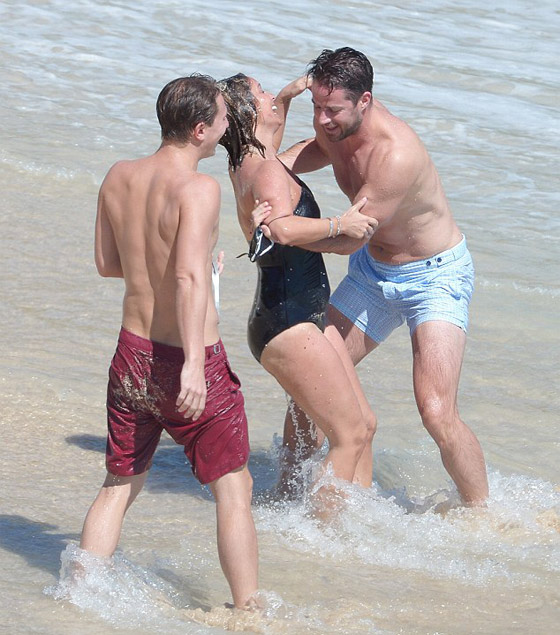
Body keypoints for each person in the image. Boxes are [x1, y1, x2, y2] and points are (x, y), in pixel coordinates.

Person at [79, 74, 259, 609]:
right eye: (223, 119)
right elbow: (184, 278)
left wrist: (194, 272)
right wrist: (194, 369)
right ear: (200, 130)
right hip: (187, 359)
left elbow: (108, 263)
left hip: (131, 355)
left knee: (120, 483)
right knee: (234, 487)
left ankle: (78, 593)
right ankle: (248, 611)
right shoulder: (199, 189)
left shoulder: (118, 175)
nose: (227, 127)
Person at [279, 47, 489, 506]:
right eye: (316, 106)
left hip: (434, 278)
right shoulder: (336, 124)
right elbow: (315, 149)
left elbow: (346, 239)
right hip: (373, 272)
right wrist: (269, 170)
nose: (322, 119)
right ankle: (286, 495)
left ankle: (482, 512)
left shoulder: (395, 155)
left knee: (436, 411)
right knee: (310, 384)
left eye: (332, 110)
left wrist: (283, 233)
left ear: (365, 101)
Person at [217, 73, 378, 504]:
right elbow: (282, 228)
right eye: (262, 92)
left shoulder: (247, 162)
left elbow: (268, 146)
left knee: (362, 425)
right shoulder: (268, 170)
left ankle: (306, 506)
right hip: (290, 322)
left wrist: (286, 97)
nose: (272, 94)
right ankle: (321, 531)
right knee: (350, 435)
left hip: (290, 314)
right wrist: (340, 225)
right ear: (248, 113)